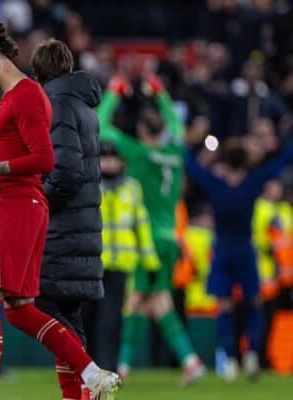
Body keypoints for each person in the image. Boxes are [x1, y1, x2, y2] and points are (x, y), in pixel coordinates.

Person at [0, 22, 120, 400]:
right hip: (20, 204)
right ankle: (92, 375)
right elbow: (21, 152)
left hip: (15, 206)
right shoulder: (19, 97)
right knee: (20, 311)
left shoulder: (25, 96)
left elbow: (44, 158)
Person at [98, 75, 205, 384]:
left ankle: (185, 361)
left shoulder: (139, 154)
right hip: (171, 237)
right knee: (150, 301)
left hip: (146, 240)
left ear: (143, 132)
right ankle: (135, 366)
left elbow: (101, 128)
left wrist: (113, 94)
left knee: (144, 302)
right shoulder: (175, 153)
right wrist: (161, 94)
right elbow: (175, 126)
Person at [29, 39, 108, 400]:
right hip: (82, 230)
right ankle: (78, 394)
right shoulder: (84, 105)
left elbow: (65, 172)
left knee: (33, 305)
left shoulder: (56, 103)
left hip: (63, 230)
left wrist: (35, 202)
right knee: (69, 320)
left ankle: (91, 377)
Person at [186, 137, 293, 381]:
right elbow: (281, 162)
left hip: (222, 250)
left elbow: (191, 165)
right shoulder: (252, 183)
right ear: (246, 161)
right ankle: (252, 355)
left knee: (224, 307)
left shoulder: (216, 185)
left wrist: (183, 141)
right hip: (245, 250)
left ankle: (231, 359)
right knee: (253, 304)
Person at [83, 140, 160, 372]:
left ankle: (107, 369)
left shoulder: (131, 188)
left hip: (119, 266)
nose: (108, 163)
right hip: (90, 264)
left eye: (112, 158)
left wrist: (150, 262)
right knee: (86, 318)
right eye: (103, 158)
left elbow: (142, 226)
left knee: (111, 321)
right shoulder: (88, 187)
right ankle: (86, 368)